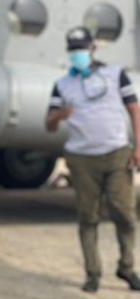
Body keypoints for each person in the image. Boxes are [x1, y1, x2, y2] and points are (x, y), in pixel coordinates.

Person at [46, 26, 140, 293]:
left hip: (116, 152)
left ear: (93, 49)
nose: (78, 54)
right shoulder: (62, 84)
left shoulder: (115, 75)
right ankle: (92, 273)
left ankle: (127, 266)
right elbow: (49, 124)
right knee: (88, 216)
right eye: (73, 50)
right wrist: (58, 115)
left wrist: (138, 147)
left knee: (125, 213)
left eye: (82, 49)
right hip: (82, 158)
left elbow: (134, 110)